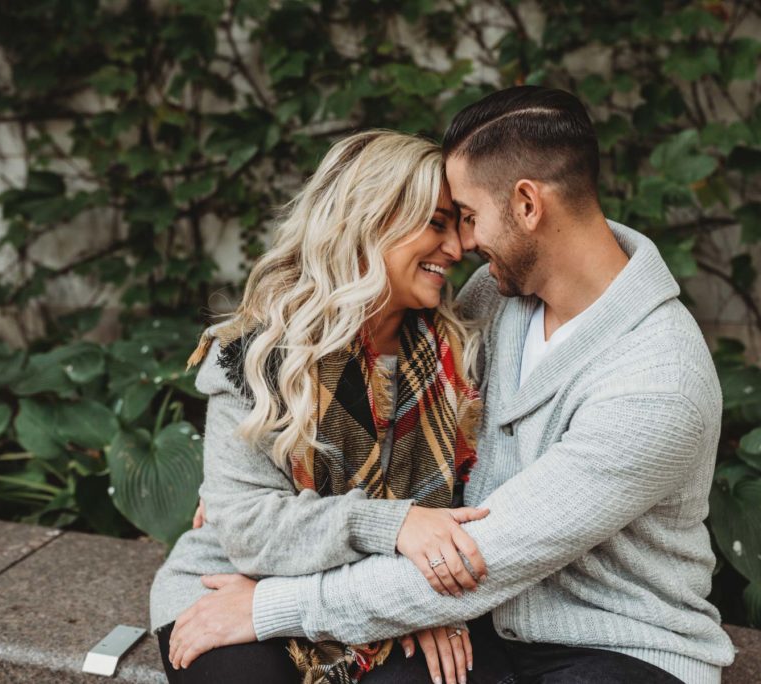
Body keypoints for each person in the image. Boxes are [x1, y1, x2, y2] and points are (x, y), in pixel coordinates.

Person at [166, 86, 737, 684]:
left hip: (615, 643)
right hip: (479, 620)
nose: (463, 245)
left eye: (466, 216)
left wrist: (271, 607)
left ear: (526, 205)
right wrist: (249, 488)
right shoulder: (495, 300)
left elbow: (483, 557)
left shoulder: (659, 382)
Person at [149, 129, 512, 684]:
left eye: (458, 224)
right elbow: (248, 527)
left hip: (381, 600)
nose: (457, 249)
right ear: (371, 221)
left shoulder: (457, 358)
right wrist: (396, 526)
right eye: (435, 224)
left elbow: (474, 516)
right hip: (231, 586)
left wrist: (422, 599)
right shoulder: (258, 356)